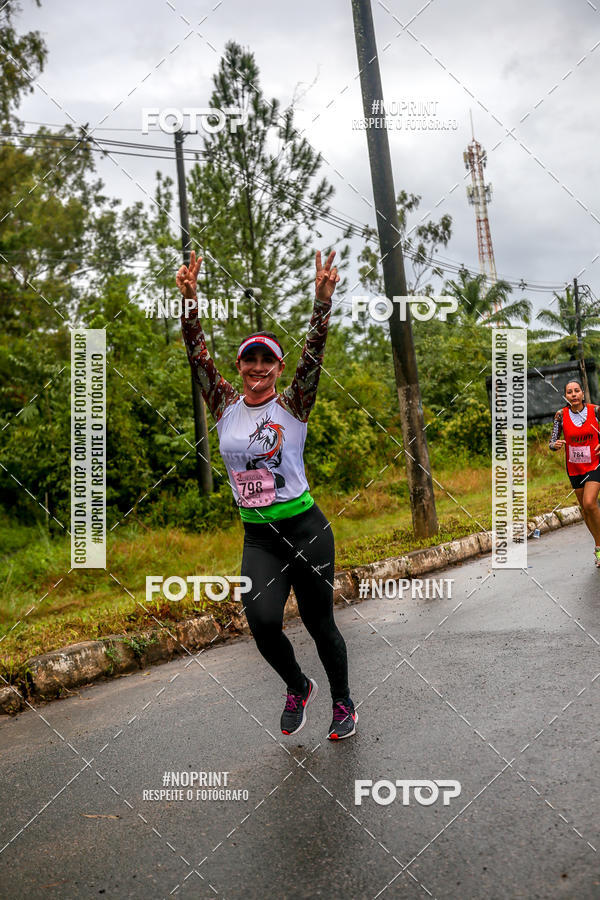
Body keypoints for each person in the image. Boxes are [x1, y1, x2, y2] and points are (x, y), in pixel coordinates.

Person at [176, 248, 357, 739]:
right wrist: (190, 302)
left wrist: (322, 303)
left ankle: (343, 703)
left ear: (278, 368)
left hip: (305, 530)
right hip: (259, 537)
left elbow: (314, 354)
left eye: (267, 361)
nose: (258, 368)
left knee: (320, 624)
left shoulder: (295, 404)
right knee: (260, 621)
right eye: (250, 360)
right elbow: (197, 354)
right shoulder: (223, 404)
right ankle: (298, 685)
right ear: (240, 366)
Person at [549, 379, 600, 566]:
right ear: (566, 396)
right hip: (575, 468)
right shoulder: (560, 415)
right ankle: (598, 546)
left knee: (589, 502)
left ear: (582, 393)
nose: (573, 394)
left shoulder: (596, 411)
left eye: (576, 391)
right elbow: (552, 441)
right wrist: (554, 445)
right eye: (569, 392)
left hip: (595, 464)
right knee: (585, 510)